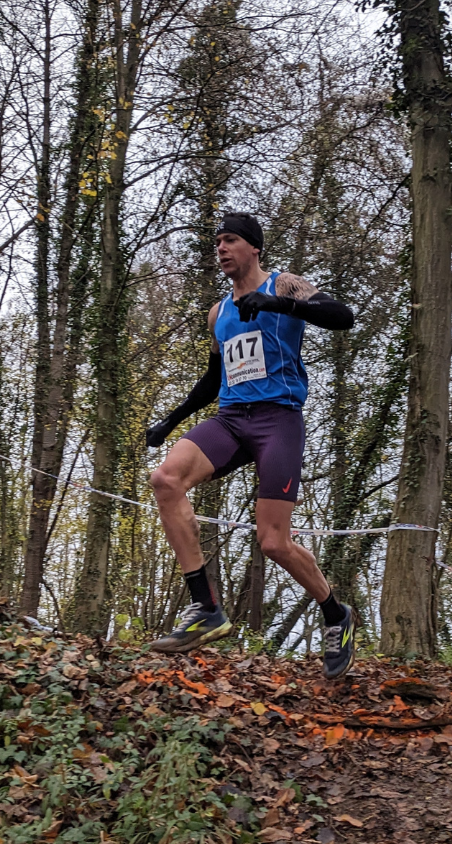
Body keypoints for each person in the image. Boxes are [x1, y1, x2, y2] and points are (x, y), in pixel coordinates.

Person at [143, 212, 358, 679]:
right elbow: (213, 378)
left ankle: (335, 614)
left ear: (254, 248)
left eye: (230, 240)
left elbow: (344, 317)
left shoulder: (285, 285)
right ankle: (207, 609)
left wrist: (280, 305)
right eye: (217, 241)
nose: (220, 248)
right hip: (231, 419)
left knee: (273, 542)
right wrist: (170, 421)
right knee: (166, 479)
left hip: (277, 421)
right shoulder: (218, 313)